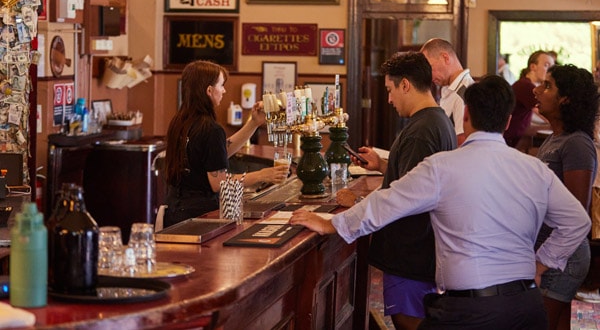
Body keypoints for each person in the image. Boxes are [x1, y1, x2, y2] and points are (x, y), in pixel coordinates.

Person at [291, 75, 591, 330]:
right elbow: (578, 222)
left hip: (469, 312)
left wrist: (332, 224)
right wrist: (541, 264)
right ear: (508, 120)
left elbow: (386, 203)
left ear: (466, 115)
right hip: (526, 307)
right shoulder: (534, 168)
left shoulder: (442, 167)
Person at [338, 52, 456, 330]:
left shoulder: (421, 130)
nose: (389, 99)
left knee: (409, 321)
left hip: (412, 249)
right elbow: (416, 178)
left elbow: (410, 196)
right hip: (422, 247)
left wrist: (356, 202)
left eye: (390, 90)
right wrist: (382, 165)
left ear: (405, 85)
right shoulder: (436, 121)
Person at [162, 60, 289, 228]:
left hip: (174, 211)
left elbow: (215, 154)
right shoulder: (211, 129)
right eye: (221, 85)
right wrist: (262, 175)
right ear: (209, 90)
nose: (224, 90)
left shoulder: (179, 122)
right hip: (199, 216)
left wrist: (253, 123)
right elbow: (219, 183)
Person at [533, 64, 599, 330]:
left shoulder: (577, 143)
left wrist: (542, 263)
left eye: (547, 86)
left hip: (562, 256)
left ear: (566, 98)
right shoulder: (555, 139)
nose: (538, 90)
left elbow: (576, 212)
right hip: (550, 252)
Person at [420, 38, 474, 145]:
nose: (428, 76)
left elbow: (462, 142)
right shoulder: (448, 89)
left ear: (445, 58)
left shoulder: (463, 93)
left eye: (430, 68)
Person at [503, 50, 554, 151]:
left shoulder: (525, 84)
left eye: (552, 67)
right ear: (533, 67)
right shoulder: (526, 86)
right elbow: (546, 114)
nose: (549, 71)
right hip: (508, 140)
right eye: (546, 65)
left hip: (512, 138)